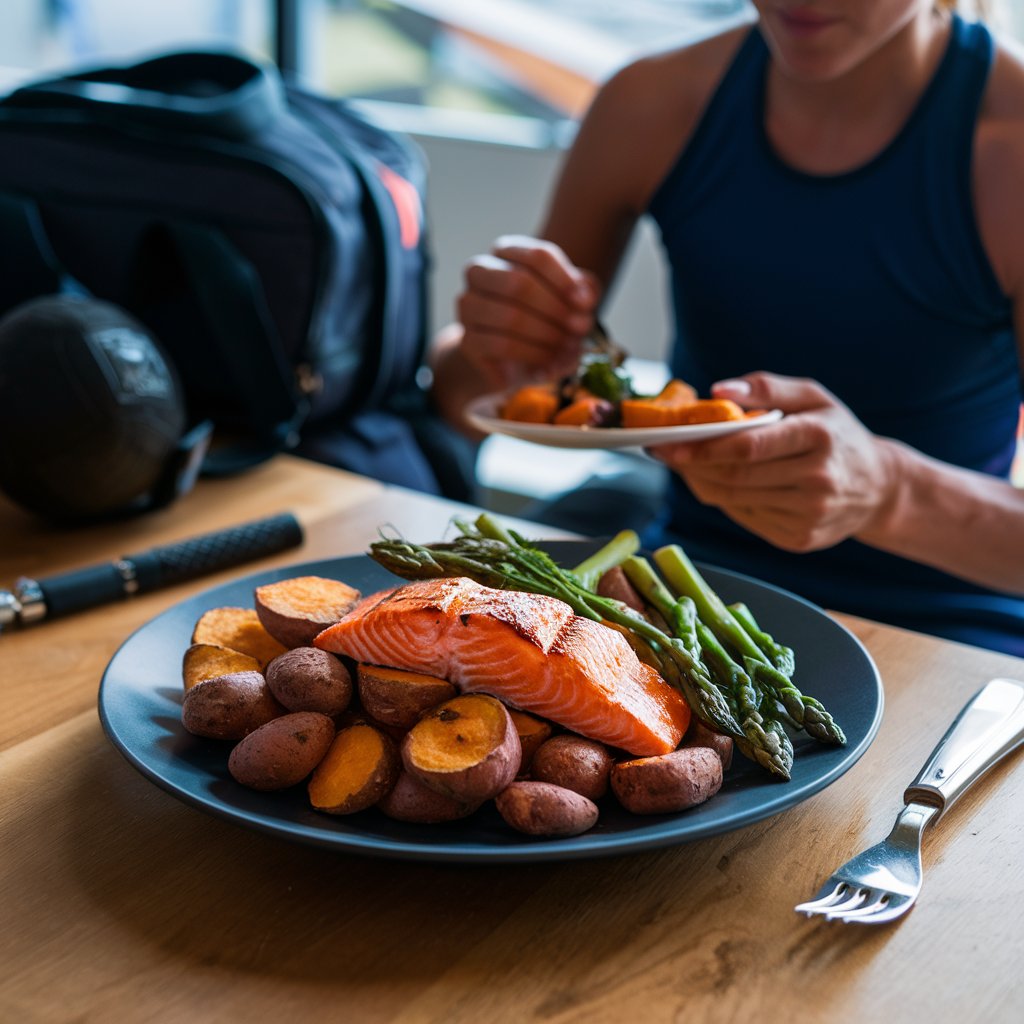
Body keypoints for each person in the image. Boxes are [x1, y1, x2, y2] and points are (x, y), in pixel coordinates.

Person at [429, 0, 1024, 657]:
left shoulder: (1011, 142)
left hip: (951, 635)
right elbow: (459, 402)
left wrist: (889, 493)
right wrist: (497, 351)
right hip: (687, 605)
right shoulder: (651, 102)